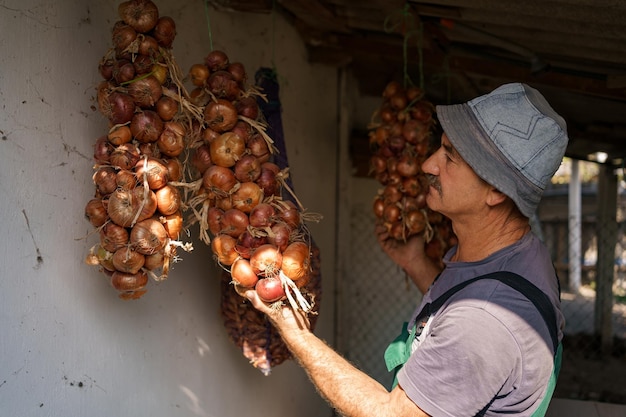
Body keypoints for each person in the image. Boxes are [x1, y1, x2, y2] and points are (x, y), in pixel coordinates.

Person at [245, 82, 568, 417]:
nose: (428, 165)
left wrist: (292, 328)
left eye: (450, 156)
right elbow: (459, 308)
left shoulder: (485, 320)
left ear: (496, 191)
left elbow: (393, 414)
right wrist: (416, 263)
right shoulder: (523, 256)